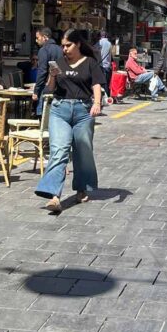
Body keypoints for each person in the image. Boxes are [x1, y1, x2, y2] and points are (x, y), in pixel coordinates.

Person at [34, 29, 105, 213]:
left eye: (68, 45)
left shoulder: (90, 62)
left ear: (78, 44)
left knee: (83, 150)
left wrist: (97, 103)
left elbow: (96, 84)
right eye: (63, 46)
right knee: (59, 149)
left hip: (83, 111)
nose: (64, 49)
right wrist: (52, 75)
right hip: (60, 110)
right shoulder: (58, 62)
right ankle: (53, 195)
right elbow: (50, 88)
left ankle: (82, 188)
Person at [33, 27, 64, 115]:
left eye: (38, 38)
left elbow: (42, 72)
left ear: (45, 37)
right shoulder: (60, 49)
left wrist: (36, 91)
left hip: (46, 87)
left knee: (42, 114)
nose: (36, 40)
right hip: (59, 87)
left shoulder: (43, 50)